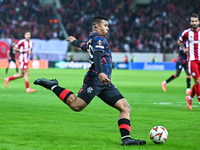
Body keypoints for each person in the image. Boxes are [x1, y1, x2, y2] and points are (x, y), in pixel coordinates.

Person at [34, 16, 146, 146]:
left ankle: (126, 138)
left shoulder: (92, 38)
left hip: (105, 82)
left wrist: (74, 41)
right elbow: (97, 55)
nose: (108, 28)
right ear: (97, 26)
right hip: (95, 79)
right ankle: (53, 86)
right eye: (106, 26)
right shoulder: (98, 39)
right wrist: (100, 73)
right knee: (77, 105)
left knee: (125, 107)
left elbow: (83, 45)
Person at [178, 13, 200, 110]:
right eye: (192, 21)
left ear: (198, 22)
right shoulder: (187, 33)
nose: (194, 23)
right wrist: (183, 48)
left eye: (196, 21)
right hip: (192, 60)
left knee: (197, 83)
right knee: (198, 82)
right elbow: (180, 41)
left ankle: (190, 98)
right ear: (190, 22)